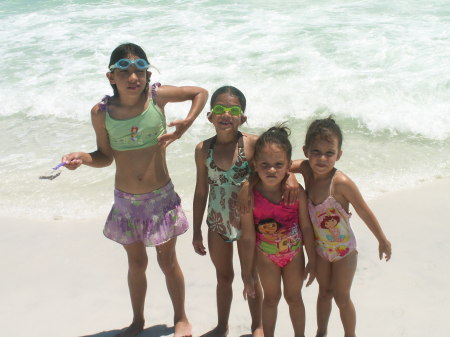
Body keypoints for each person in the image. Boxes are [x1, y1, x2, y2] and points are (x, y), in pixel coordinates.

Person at [61, 43, 208, 337]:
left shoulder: (157, 98)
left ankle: (181, 318)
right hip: (126, 203)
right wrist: (83, 158)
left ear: (147, 74)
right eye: (124, 71)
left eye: (140, 70)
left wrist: (186, 125)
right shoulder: (101, 113)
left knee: (167, 261)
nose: (133, 77)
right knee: (136, 263)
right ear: (110, 77)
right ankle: (137, 321)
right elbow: (104, 156)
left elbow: (199, 93)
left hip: (160, 199)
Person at [290, 116, 392, 337]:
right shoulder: (307, 171)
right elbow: (278, 164)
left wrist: (382, 239)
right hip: (320, 249)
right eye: (316, 151)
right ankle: (321, 332)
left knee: (342, 297)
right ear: (306, 150)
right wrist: (287, 179)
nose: (322, 158)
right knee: (324, 293)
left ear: (339, 154)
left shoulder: (341, 183)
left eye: (330, 153)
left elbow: (364, 211)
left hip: (344, 250)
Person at [192, 86, 263, 337]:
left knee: (251, 275)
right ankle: (222, 326)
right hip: (217, 222)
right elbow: (201, 192)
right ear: (210, 116)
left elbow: (267, 174)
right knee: (223, 278)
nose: (226, 115)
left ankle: (258, 326)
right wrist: (197, 231)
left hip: (247, 225)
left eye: (234, 110)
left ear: (242, 118)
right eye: (220, 109)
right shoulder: (203, 150)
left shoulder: (252, 144)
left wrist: (248, 184)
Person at [240, 125, 316, 337]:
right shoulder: (250, 196)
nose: (271, 170)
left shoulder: (296, 191)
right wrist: (247, 272)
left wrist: (313, 259)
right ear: (255, 165)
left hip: (294, 255)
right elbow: (247, 236)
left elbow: (307, 227)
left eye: (278, 164)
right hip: (266, 257)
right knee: (271, 300)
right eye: (265, 164)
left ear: (288, 166)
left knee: (294, 298)